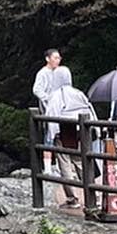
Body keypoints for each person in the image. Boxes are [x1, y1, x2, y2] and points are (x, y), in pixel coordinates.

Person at [46, 80, 94, 211]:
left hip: (63, 132)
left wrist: (51, 135)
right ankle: (92, 196)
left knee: (65, 165)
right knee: (81, 163)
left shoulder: (56, 96)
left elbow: (51, 114)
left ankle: (72, 199)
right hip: (80, 132)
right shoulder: (78, 94)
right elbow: (89, 109)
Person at [33, 49, 64, 151]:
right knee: (49, 134)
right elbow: (37, 90)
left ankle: (60, 163)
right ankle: (48, 163)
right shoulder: (42, 73)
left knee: (60, 135)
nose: (58, 60)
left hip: (61, 108)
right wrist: (49, 98)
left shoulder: (60, 73)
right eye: (55, 58)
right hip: (48, 108)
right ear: (47, 59)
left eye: (59, 58)